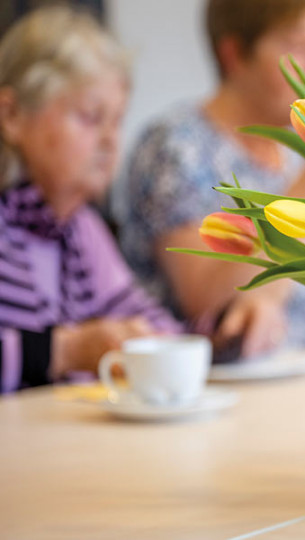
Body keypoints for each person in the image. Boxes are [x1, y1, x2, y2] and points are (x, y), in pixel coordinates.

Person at [118, 0, 305, 360]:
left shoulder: (291, 156)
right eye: (299, 47)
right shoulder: (176, 146)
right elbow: (203, 299)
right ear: (234, 54)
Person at [0, 6, 181, 393]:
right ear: (12, 115)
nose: (110, 140)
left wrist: (215, 333)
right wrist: (64, 351)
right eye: (90, 116)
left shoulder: (81, 227)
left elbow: (152, 325)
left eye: (116, 120)